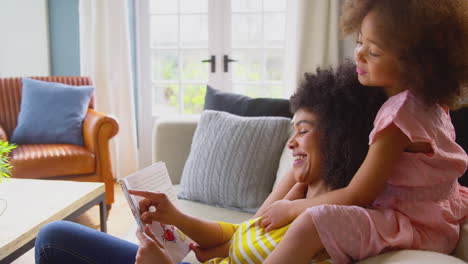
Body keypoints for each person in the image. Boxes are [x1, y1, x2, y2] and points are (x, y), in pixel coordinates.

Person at [34, 62, 385, 264]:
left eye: (303, 131)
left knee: (53, 239)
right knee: (54, 236)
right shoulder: (298, 187)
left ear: (338, 139)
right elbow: (241, 232)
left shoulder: (328, 221)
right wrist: (177, 216)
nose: (291, 142)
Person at [260, 0, 468, 263]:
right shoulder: (433, 103)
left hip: (414, 226)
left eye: (374, 52)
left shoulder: (397, 119)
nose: (358, 55)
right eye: (359, 42)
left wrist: (291, 209)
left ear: (414, 64)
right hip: (438, 218)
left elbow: (358, 194)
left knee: (311, 222)